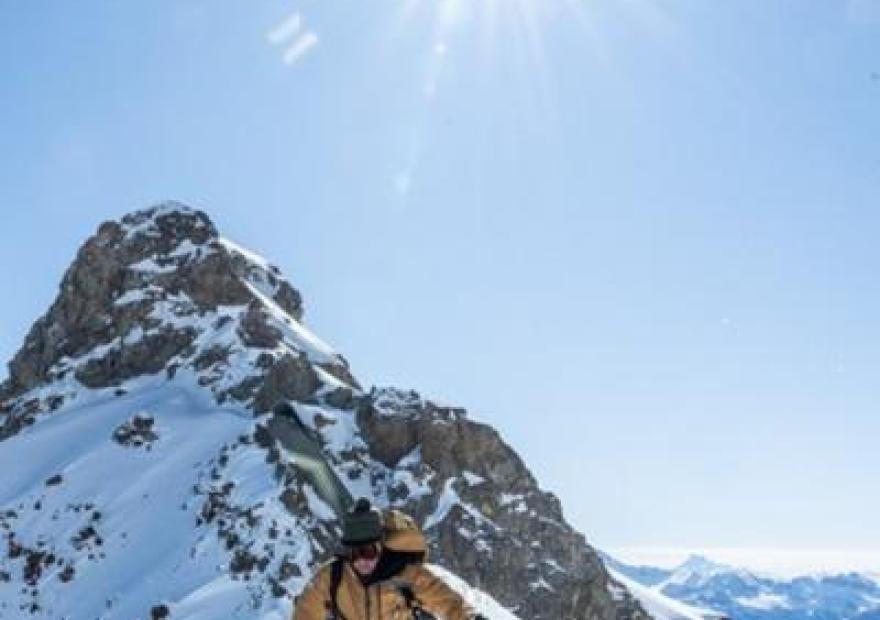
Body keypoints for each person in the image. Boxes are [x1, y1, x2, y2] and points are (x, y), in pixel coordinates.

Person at [293, 498, 485, 620]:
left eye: (368, 551)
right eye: (354, 554)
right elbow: (306, 612)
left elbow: (449, 603)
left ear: (381, 547)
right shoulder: (332, 577)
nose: (362, 561)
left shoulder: (404, 573)